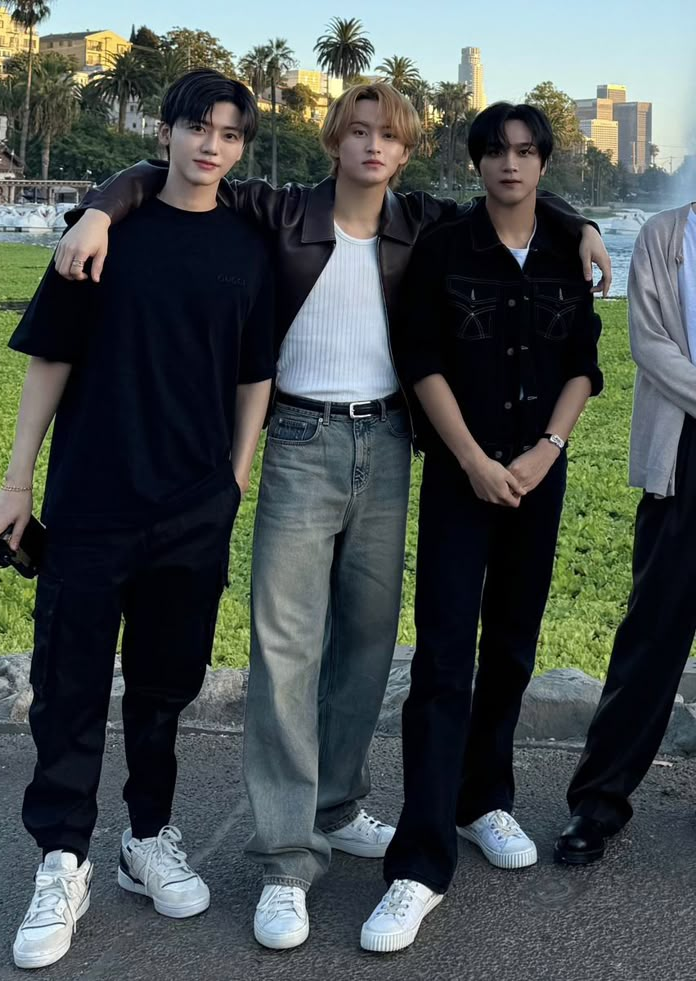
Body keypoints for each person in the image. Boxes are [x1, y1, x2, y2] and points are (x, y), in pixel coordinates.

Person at [52, 82, 611, 951]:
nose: (373, 148)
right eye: (358, 132)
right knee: (285, 650)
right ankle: (284, 857)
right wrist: (96, 208)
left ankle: (335, 800)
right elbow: (170, 173)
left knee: (364, 643)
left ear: (407, 148)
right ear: (333, 139)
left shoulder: (419, 221)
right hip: (303, 442)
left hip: (388, 445)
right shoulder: (279, 209)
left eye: (389, 136)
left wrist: (582, 225)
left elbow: (511, 188)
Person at [0, 69, 274, 970]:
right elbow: (51, 358)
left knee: (163, 687)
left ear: (240, 148)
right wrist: (17, 480)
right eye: (197, 127)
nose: (210, 145)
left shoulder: (250, 243)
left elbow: (252, 372)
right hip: (93, 499)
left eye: (228, 133)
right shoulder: (102, 232)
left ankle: (148, 838)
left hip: (193, 507)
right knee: (68, 686)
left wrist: (235, 474)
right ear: (168, 131)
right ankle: (61, 856)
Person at [360, 102, 603, 953]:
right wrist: (467, 456)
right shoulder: (444, 248)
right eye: (497, 151)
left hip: (541, 472)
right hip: (463, 478)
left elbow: (584, 363)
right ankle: (418, 862)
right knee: (441, 659)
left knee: (511, 645)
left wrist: (547, 450)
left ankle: (481, 799)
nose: (511, 164)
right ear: (476, 163)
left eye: (527, 152)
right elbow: (418, 356)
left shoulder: (569, 251)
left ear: (542, 164)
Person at [554, 200, 696, 866]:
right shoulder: (666, 236)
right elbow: (649, 343)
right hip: (683, 453)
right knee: (654, 628)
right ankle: (598, 800)